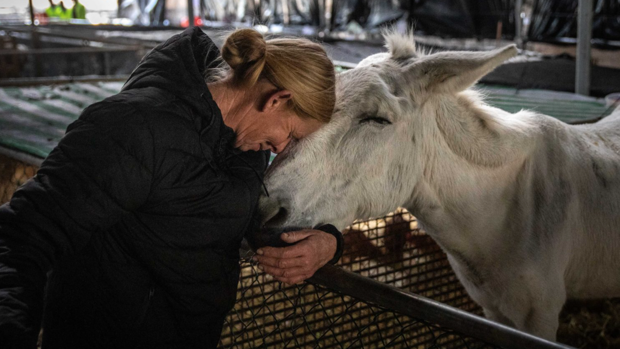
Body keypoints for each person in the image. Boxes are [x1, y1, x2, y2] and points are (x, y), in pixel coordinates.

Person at [0, 27, 341, 348]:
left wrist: (328, 243)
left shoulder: (242, 151)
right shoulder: (134, 128)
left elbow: (242, 222)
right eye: (292, 135)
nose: (282, 149)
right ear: (277, 100)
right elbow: (21, 237)